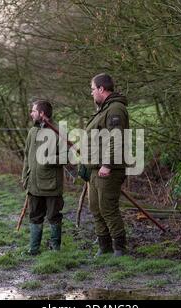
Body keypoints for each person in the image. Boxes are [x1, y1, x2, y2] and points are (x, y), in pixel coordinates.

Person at [80, 73, 129, 257]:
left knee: (108, 209)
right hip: (94, 169)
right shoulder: (102, 109)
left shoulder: (115, 109)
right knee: (95, 209)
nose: (91, 93)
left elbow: (116, 139)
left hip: (108, 170)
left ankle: (119, 249)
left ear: (101, 89)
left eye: (93, 89)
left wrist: (107, 165)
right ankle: (104, 247)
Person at [22, 100, 64, 255]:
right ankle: (34, 249)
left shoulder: (58, 132)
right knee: (34, 216)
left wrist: (48, 159)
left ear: (42, 113)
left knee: (54, 216)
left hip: (52, 185)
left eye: (34, 111)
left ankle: (55, 250)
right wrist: (24, 177)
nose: (31, 113)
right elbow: (27, 156)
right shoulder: (32, 131)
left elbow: (68, 156)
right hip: (33, 183)